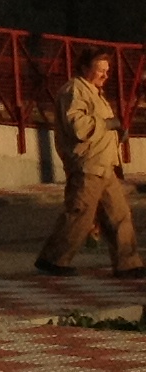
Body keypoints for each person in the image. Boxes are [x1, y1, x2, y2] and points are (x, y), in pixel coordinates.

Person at [36, 50, 143, 277]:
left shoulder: (94, 92)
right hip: (87, 165)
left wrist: (116, 133)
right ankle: (53, 259)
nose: (105, 75)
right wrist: (108, 124)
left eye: (107, 71)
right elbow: (78, 127)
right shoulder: (75, 90)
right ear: (85, 68)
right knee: (80, 214)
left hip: (104, 165)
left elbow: (99, 129)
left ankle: (128, 264)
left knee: (119, 215)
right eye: (100, 70)